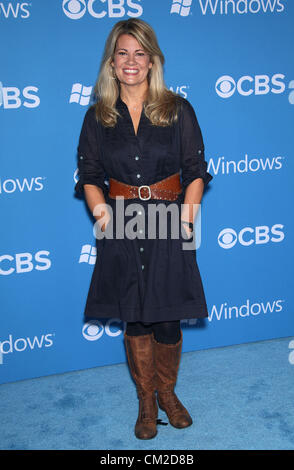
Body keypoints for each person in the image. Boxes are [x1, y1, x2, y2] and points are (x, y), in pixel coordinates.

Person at [75, 18, 213, 440]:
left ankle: (168, 396)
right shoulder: (98, 116)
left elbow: (195, 170)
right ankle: (145, 401)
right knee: (135, 316)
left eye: (139, 53)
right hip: (121, 223)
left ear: (152, 61)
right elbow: (90, 175)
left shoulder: (177, 109)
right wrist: (104, 218)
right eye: (122, 53)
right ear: (111, 63)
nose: (130, 61)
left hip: (170, 218)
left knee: (168, 316)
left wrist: (186, 220)